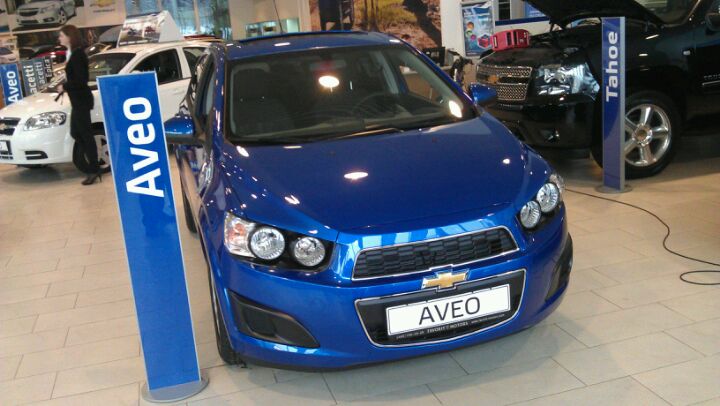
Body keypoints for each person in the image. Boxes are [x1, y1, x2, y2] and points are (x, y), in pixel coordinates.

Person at [57, 25, 101, 185]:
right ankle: (91, 165)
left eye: (61, 35)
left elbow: (81, 80)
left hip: (82, 101)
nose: (59, 38)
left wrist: (65, 86)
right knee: (76, 133)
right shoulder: (71, 53)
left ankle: (94, 169)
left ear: (70, 37)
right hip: (77, 101)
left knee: (85, 135)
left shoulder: (78, 55)